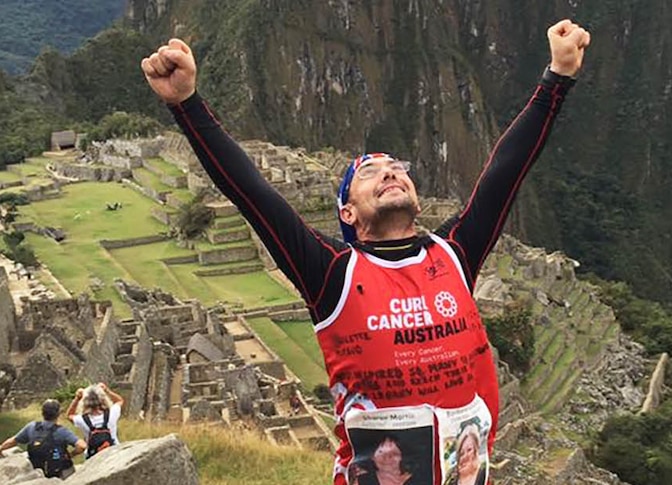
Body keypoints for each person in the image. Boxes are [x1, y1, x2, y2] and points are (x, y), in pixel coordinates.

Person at [142, 18, 590, 485]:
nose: (390, 173)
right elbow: (252, 193)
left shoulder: (455, 255)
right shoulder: (332, 273)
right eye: (369, 173)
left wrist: (556, 78)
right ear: (349, 214)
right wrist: (186, 104)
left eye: (397, 167)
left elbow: (506, 170)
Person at [0, 399, 87, 479]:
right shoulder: (62, 431)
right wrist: (71, 455)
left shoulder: (32, 427)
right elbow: (82, 446)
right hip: (60, 472)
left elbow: (13, 441)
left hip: (38, 472)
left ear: (42, 413)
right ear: (58, 414)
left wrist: (1, 448)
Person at [67, 382, 124, 458]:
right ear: (103, 400)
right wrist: (107, 390)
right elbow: (120, 401)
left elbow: (69, 415)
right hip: (113, 454)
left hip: (93, 457)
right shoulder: (112, 414)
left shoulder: (82, 420)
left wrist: (77, 398)